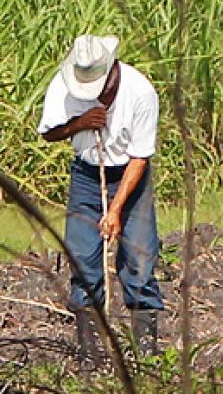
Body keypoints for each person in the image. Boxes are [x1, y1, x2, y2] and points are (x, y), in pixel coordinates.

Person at [37, 34, 162, 358]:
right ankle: (92, 357)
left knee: (139, 261)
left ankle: (145, 355)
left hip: (130, 178)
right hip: (86, 176)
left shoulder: (141, 93)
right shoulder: (63, 85)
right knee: (83, 261)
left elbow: (140, 158)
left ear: (112, 71)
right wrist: (78, 124)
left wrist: (116, 210)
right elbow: (49, 132)